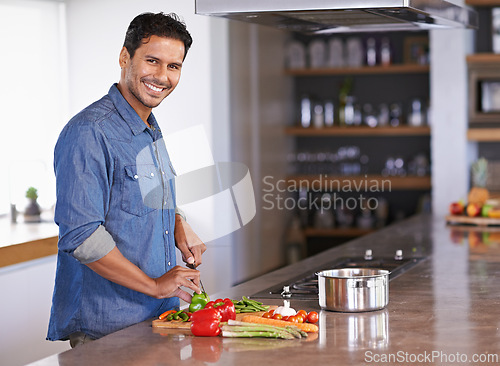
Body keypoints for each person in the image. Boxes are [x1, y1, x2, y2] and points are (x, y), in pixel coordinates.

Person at [47, 12, 206, 347]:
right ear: (124, 57)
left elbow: (140, 196)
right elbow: (82, 236)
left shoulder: (147, 127)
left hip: (155, 321)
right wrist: (155, 285)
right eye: (152, 61)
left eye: (174, 66)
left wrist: (177, 220)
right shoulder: (90, 131)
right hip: (106, 329)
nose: (162, 76)